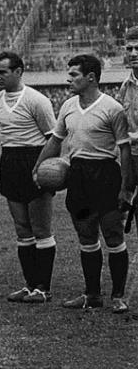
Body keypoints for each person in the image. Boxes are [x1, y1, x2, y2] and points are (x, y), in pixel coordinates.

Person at [35, 54, 134, 314]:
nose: (68, 79)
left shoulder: (112, 108)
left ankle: (119, 296)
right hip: (77, 175)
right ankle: (92, 294)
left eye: (74, 74)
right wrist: (38, 167)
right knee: (86, 235)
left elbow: (124, 151)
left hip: (105, 174)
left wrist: (126, 187)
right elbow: (55, 141)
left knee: (113, 234)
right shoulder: (68, 105)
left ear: (91, 77)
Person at [0, 51, 58, 303]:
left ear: (18, 72)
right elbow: (4, 135)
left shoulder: (37, 100)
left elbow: (52, 138)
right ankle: (30, 285)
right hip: (10, 161)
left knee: (40, 228)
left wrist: (43, 169)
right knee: (21, 228)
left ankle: (43, 288)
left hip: (34, 161)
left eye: (2, 72)